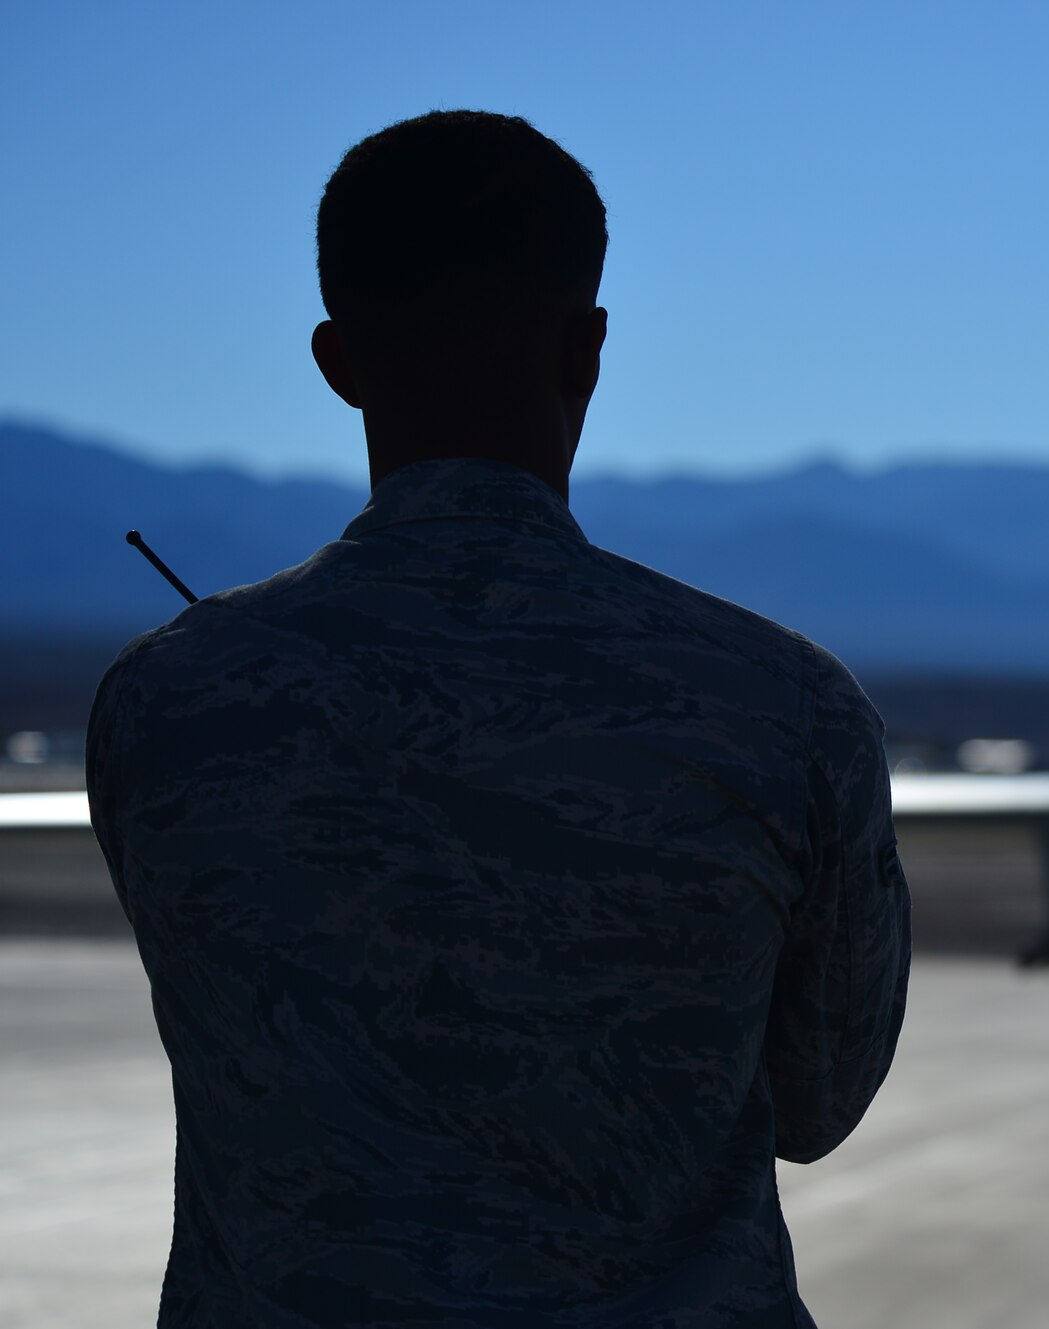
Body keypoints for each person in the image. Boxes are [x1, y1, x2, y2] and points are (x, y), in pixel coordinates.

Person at [85, 109, 910, 1328]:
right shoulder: (783, 707)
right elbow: (816, 1103)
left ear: (338, 361)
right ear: (586, 351)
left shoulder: (167, 699)